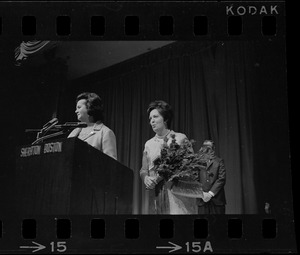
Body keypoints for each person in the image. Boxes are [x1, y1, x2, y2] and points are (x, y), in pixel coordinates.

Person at [140, 100, 196, 214]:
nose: (152, 121)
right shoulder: (148, 144)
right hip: (157, 196)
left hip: (178, 197)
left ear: (165, 119)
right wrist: (145, 178)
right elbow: (143, 169)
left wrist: (165, 174)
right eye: (150, 119)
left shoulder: (180, 138)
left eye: (155, 117)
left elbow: (191, 166)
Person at [68, 92, 117, 160]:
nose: (76, 111)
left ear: (90, 107)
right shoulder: (74, 132)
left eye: (79, 107)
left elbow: (111, 164)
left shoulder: (105, 133)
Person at [197, 140, 226, 214]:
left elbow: (221, 179)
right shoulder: (198, 162)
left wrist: (210, 194)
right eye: (204, 147)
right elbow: (195, 179)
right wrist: (201, 193)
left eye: (209, 147)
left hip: (217, 200)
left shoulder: (219, 161)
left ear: (213, 148)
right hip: (202, 200)